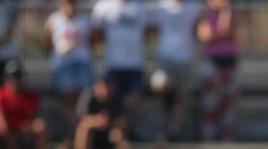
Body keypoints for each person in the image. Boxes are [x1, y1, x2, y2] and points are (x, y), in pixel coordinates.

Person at [91, 0, 153, 130]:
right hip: (113, 62)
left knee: (135, 97)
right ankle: (116, 129)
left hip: (135, 62)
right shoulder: (103, 7)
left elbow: (147, 31)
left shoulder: (140, 6)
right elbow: (96, 34)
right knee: (112, 97)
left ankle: (121, 125)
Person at [150, 0, 202, 139]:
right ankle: (167, 109)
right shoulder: (161, 6)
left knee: (182, 95)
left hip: (185, 57)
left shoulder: (194, 6)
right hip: (165, 55)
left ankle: (175, 128)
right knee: (160, 83)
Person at [43, 0, 93, 130]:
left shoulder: (84, 19)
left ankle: (81, 125)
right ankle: (75, 127)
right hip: (63, 63)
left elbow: (92, 40)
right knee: (68, 95)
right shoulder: (54, 19)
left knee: (84, 96)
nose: (70, 6)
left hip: (81, 62)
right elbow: (47, 41)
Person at [197, 0, 238, 141]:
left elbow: (226, 30)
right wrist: (220, 35)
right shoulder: (205, 14)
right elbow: (205, 36)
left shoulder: (229, 13)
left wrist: (225, 12)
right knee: (210, 101)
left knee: (228, 99)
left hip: (229, 60)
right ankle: (209, 134)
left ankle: (226, 135)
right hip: (212, 61)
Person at [0, 61, 48, 149]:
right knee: (3, 130)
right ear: (6, 78)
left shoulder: (30, 96)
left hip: (25, 132)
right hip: (7, 132)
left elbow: (33, 117)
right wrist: (9, 131)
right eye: (12, 76)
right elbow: (1, 119)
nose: (15, 80)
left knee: (39, 126)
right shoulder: (1, 94)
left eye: (18, 76)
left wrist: (27, 126)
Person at [74, 76, 123, 149]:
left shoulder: (116, 98)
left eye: (108, 85)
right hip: (93, 132)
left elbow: (121, 120)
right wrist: (97, 120)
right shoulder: (89, 96)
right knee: (84, 130)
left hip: (108, 132)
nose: (105, 88)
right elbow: (82, 119)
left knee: (118, 134)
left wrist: (107, 122)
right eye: (103, 85)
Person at [0, 0, 19, 74]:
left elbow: (11, 29)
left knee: (10, 80)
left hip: (9, 56)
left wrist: (2, 41)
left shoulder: (11, 6)